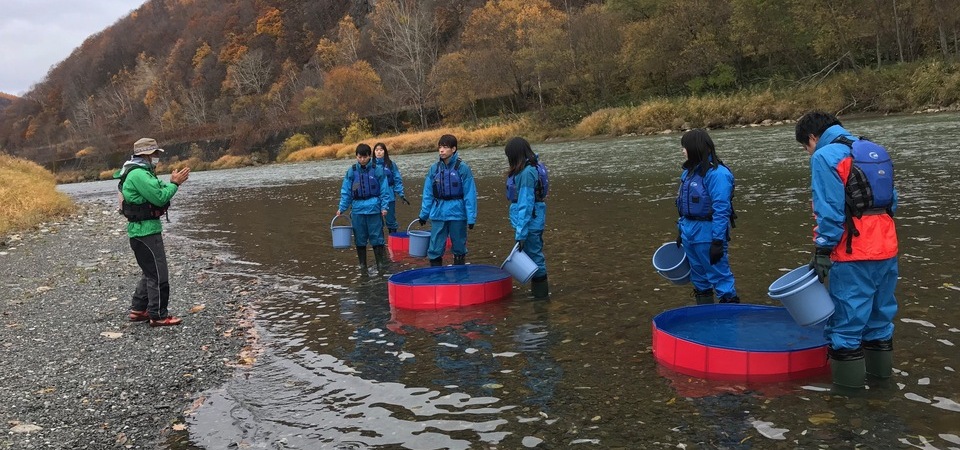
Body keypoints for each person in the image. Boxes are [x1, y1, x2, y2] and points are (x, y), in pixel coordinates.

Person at [795, 110, 899, 389]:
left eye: (806, 146)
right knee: (879, 320)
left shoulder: (824, 156)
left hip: (853, 253)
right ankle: (882, 388)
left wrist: (822, 250)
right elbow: (893, 202)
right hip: (887, 248)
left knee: (845, 327)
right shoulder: (873, 149)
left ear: (813, 137)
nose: (808, 153)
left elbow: (828, 212)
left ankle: (848, 402)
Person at [114, 138, 190, 327]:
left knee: (149, 272)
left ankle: (138, 310)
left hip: (141, 231)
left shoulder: (139, 172)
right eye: (155, 154)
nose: (157, 157)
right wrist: (176, 185)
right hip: (145, 232)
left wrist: (171, 183)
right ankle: (158, 315)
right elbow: (159, 197)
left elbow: (159, 189)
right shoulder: (139, 174)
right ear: (147, 155)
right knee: (158, 274)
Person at [675, 128, 739, 305]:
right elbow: (683, 205)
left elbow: (721, 209)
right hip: (689, 231)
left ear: (695, 148)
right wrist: (681, 230)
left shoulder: (718, 174)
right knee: (699, 278)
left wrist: (718, 241)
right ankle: (705, 319)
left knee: (720, 277)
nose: (683, 151)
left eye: (685, 147)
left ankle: (729, 319)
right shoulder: (688, 173)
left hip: (708, 232)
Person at [418, 134, 477, 266]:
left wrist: (471, 217)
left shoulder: (463, 169)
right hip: (438, 212)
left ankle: (460, 278)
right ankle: (436, 279)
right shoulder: (434, 169)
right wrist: (423, 214)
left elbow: (470, 194)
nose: (441, 150)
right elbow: (428, 194)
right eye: (440, 147)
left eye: (445, 147)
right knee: (435, 249)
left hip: (457, 213)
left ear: (454, 149)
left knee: (459, 247)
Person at [337, 143, 392, 274]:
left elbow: (384, 190)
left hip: (374, 208)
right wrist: (342, 208)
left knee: (377, 238)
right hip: (357, 210)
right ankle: (363, 267)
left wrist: (384, 207)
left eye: (364, 157)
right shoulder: (352, 171)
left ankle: (380, 266)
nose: (362, 160)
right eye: (359, 157)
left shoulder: (377, 170)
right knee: (360, 239)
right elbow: (346, 191)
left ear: (369, 156)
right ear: (356, 156)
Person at [504, 137, 549, 298]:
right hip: (532, 222)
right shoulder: (531, 168)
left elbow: (526, 204)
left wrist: (521, 234)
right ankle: (539, 298)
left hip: (530, 224)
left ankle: (541, 299)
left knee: (535, 258)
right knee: (533, 256)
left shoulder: (526, 173)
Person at [374, 142, 409, 234]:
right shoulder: (371, 165)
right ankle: (379, 243)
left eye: (381, 150)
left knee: (391, 220)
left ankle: (393, 239)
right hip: (375, 196)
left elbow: (397, 179)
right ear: (373, 152)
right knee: (376, 221)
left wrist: (401, 194)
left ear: (385, 152)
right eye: (377, 150)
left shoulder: (391, 164)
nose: (379, 152)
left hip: (389, 195)